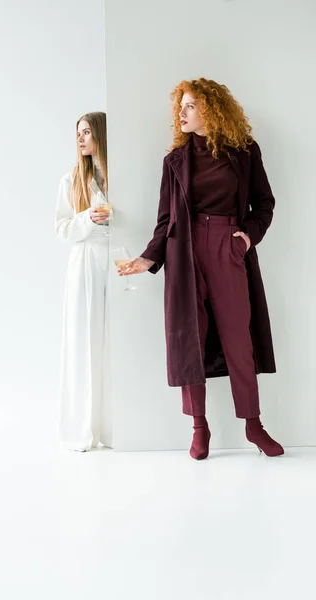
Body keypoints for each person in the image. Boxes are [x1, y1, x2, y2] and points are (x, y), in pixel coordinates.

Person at [119, 78, 283, 459]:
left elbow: (264, 202)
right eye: (181, 106)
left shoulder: (244, 152)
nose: (181, 112)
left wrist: (247, 237)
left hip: (227, 245)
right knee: (190, 337)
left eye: (189, 105)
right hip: (183, 253)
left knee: (239, 340)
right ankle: (199, 426)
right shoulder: (174, 160)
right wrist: (148, 258)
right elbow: (166, 221)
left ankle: (253, 425)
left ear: (211, 109)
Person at [55, 112, 113, 451]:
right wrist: (86, 217)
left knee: (112, 340)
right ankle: (82, 427)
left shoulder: (120, 176)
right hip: (85, 260)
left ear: (101, 135)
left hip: (115, 258)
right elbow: (61, 229)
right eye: (78, 133)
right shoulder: (72, 180)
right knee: (83, 338)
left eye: (87, 132)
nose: (80, 139)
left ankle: (112, 425)